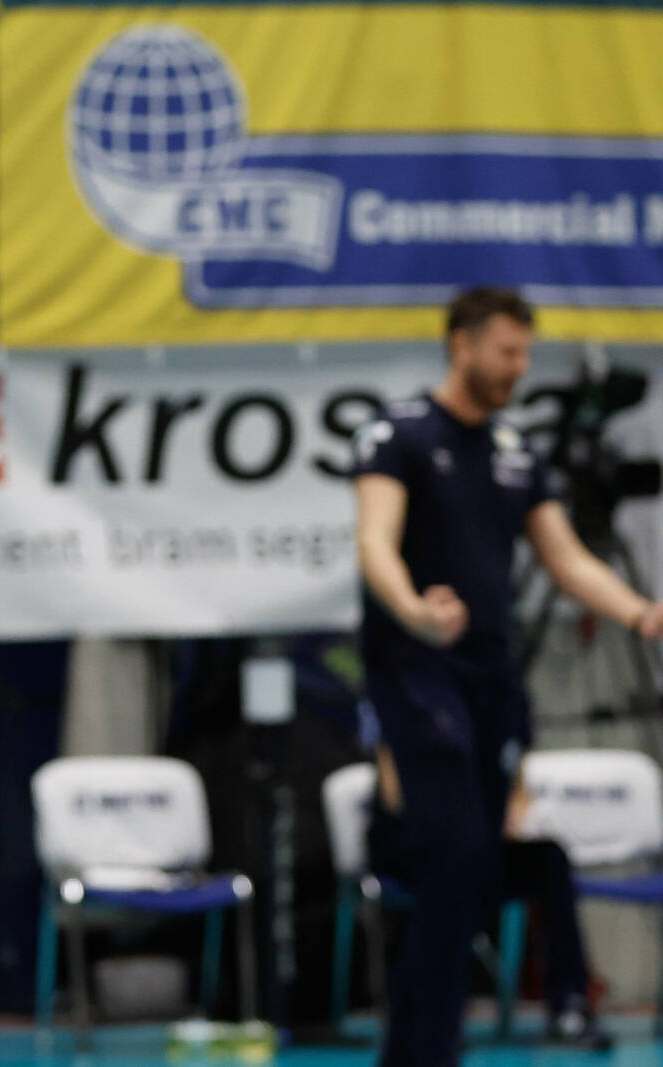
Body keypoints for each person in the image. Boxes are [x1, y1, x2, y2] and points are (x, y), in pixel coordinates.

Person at [352, 285, 663, 1066]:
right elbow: (375, 541)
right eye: (507, 352)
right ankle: (427, 1050)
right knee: (456, 851)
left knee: (480, 863)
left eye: (526, 354)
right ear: (462, 344)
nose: (519, 367)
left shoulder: (514, 450)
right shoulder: (401, 434)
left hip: (491, 674)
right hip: (418, 669)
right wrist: (415, 610)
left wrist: (640, 612)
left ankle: (416, 1048)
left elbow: (566, 558)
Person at [365, 740, 611, 1051]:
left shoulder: (505, 713)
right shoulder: (417, 712)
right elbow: (395, 794)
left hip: (479, 842)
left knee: (550, 860)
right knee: (449, 865)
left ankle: (569, 1004)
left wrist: (510, 817)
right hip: (413, 839)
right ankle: (434, 1012)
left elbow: (516, 786)